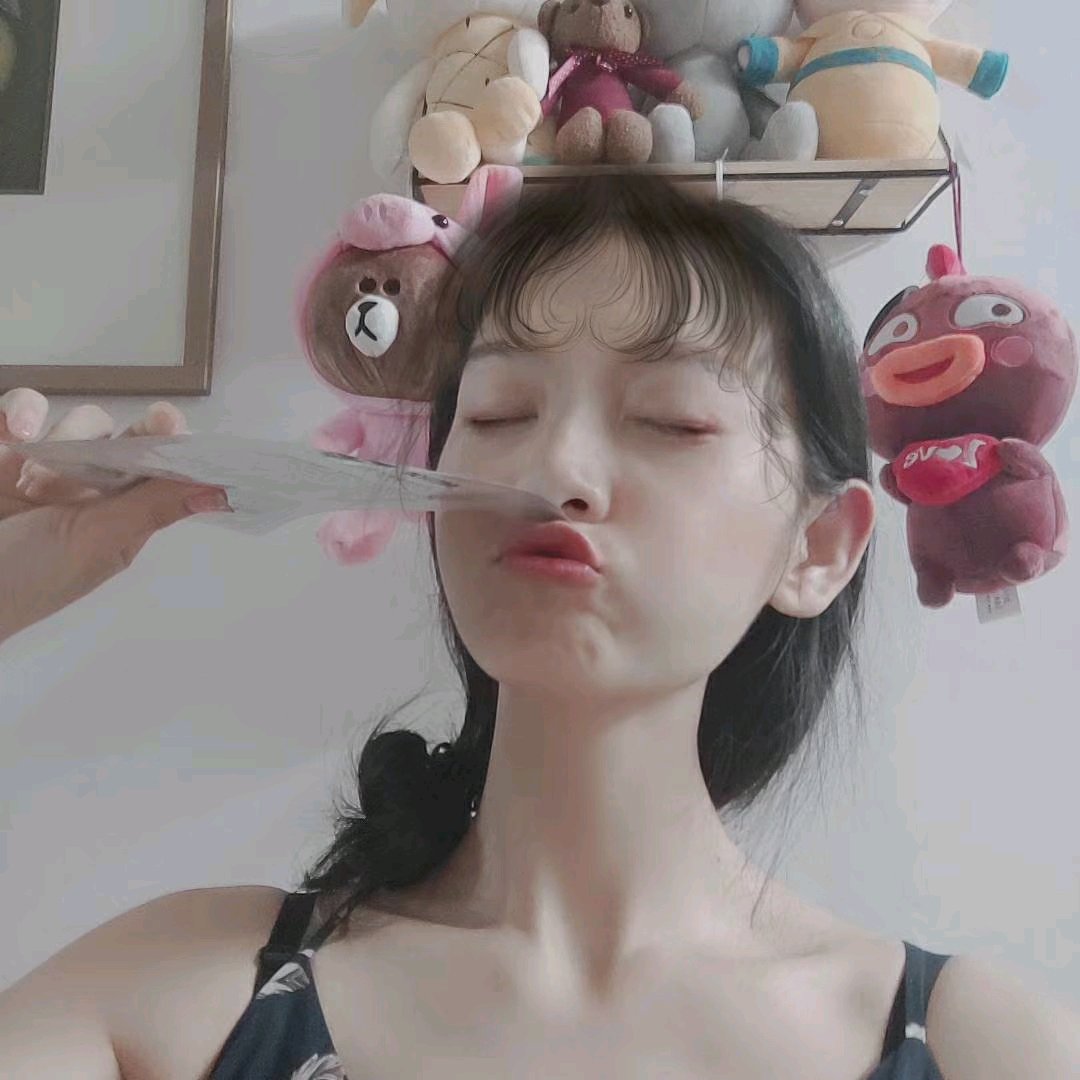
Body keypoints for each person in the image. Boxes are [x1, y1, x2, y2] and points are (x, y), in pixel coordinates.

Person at [0, 174, 1076, 1079]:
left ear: (820, 547)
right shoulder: (189, 993)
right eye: (500, 412)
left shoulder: (981, 1047)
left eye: (671, 421)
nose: (556, 466)